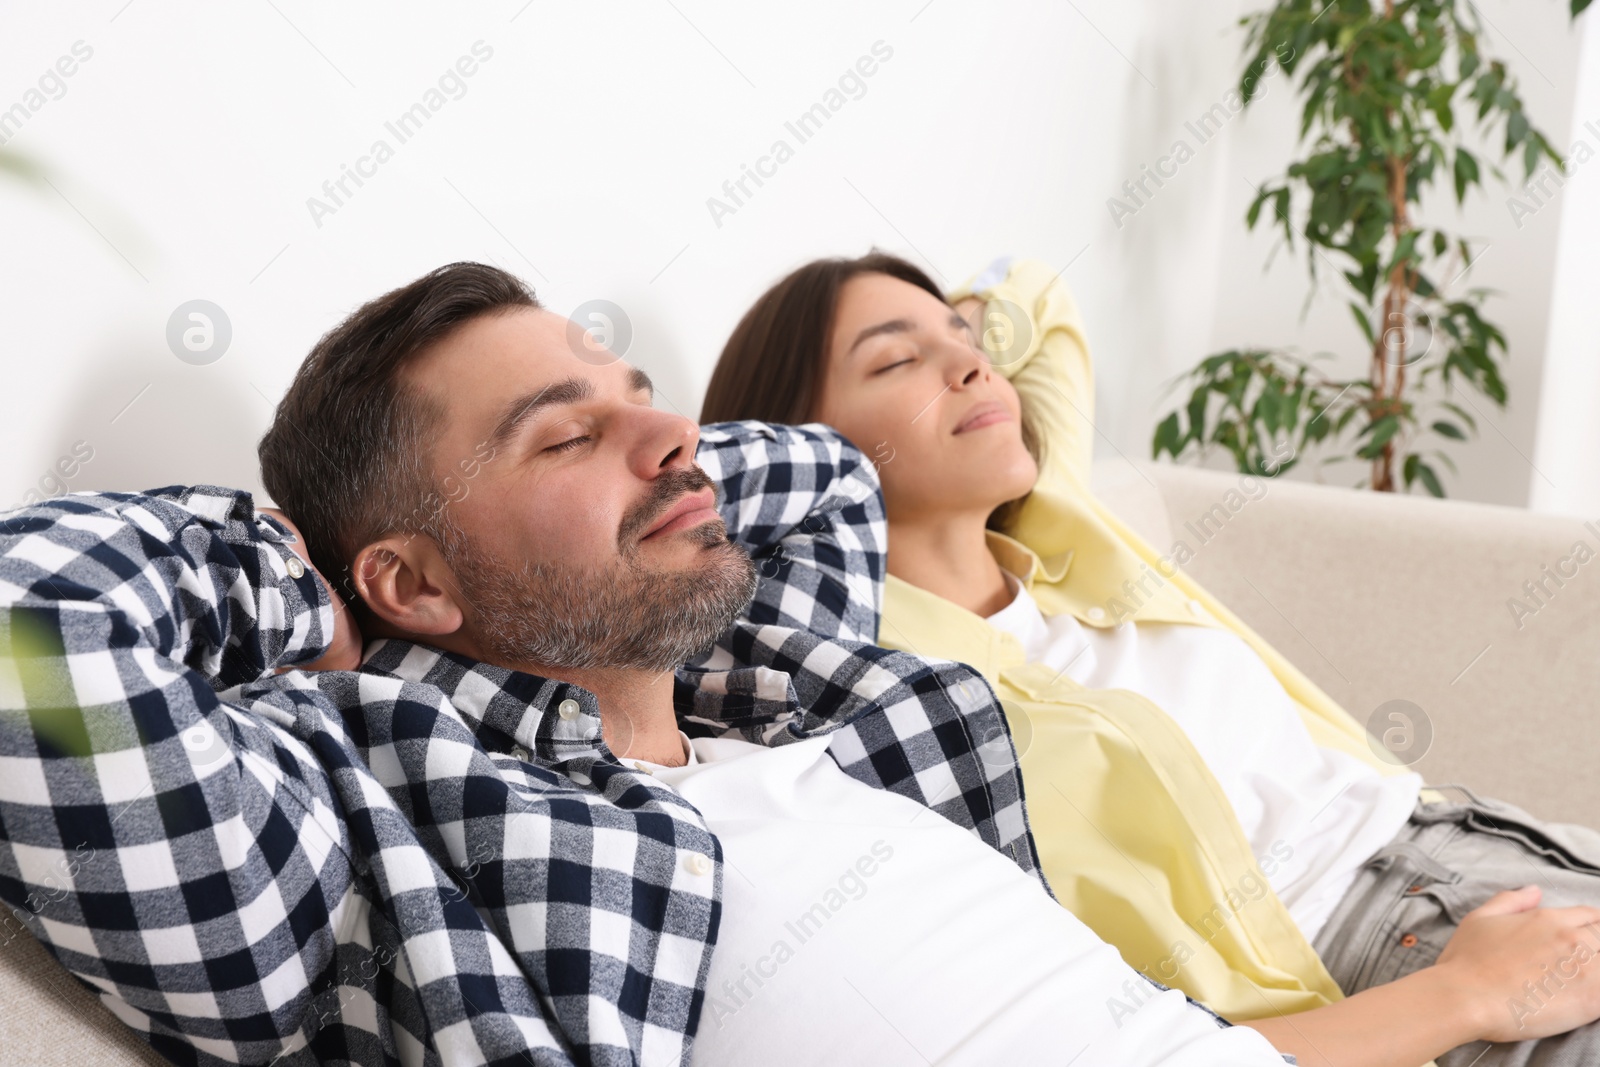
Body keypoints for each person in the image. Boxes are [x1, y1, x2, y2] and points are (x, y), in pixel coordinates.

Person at [0, 262, 1300, 1066]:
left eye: (640, 388)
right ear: (415, 581)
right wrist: (286, 581)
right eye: (565, 434)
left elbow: (833, 475)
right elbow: (23, 638)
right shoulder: (378, 817)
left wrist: (626, 443)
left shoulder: (780, 690)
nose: (677, 431)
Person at [700, 251, 1600, 1067]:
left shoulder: (1067, 540)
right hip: (1394, 947)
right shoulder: (880, 696)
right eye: (895, 361)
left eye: (967, 339)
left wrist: (940, 337)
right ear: (803, 451)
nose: (974, 365)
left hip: (1476, 831)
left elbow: (1040, 298)